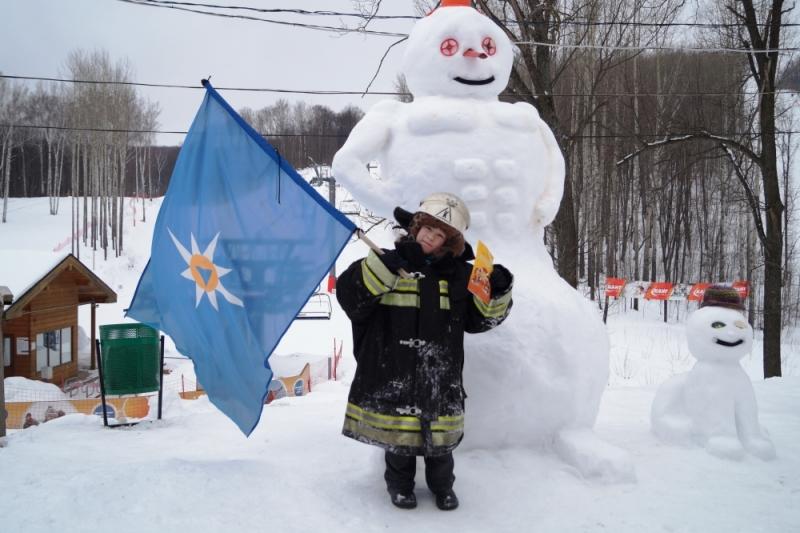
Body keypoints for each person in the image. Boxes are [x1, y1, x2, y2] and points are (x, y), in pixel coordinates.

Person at [336, 192, 513, 511]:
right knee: (398, 441)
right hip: (392, 371)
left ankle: (443, 487)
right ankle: (400, 486)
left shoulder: (461, 276)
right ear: (416, 227)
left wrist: (498, 290)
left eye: (440, 233)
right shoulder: (386, 260)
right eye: (428, 228)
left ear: (449, 243)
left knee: (441, 445)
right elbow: (351, 299)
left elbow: (480, 321)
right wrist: (385, 267)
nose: (431, 236)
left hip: (439, 376)